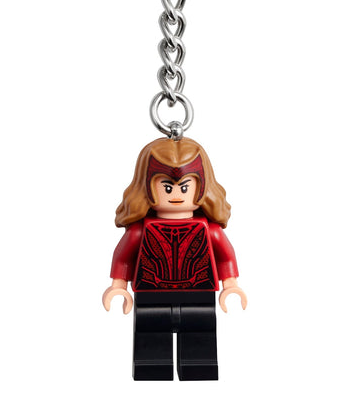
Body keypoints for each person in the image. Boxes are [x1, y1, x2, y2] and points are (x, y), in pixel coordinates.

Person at [102, 136, 247, 380]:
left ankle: (197, 368)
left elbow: (225, 257)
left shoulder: (209, 230)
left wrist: (230, 285)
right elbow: (123, 256)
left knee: (200, 338)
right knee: (150, 338)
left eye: (185, 187)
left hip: (199, 293)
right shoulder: (139, 231)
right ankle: (152, 369)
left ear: (201, 186)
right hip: (150, 294)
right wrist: (118, 287)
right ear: (147, 187)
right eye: (167, 187)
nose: (176, 194)